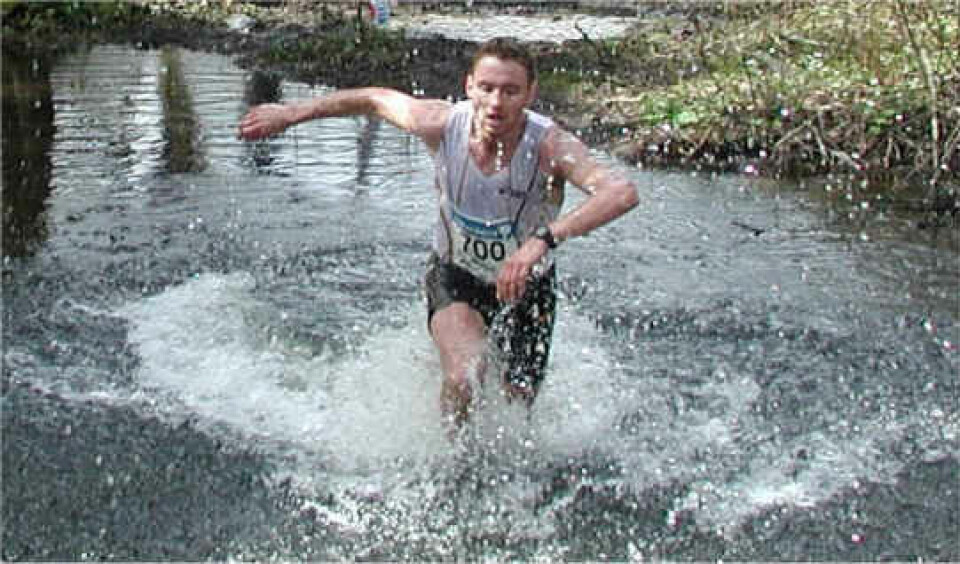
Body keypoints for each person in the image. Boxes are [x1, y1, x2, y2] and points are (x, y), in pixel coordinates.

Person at [239, 37, 639, 429]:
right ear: (469, 87)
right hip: (456, 274)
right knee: (465, 375)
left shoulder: (551, 146)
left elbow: (620, 193)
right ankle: (451, 459)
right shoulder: (442, 124)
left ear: (531, 94)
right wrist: (291, 113)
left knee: (518, 405)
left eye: (510, 91)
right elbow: (375, 99)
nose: (496, 102)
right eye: (487, 88)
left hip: (528, 287)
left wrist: (542, 240)